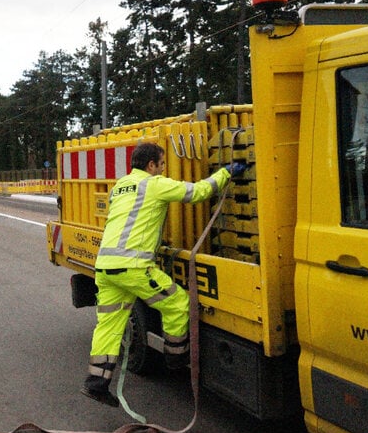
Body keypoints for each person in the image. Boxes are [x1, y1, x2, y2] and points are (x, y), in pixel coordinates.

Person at [81, 142, 246, 407]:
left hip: (106, 266)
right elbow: (198, 192)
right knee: (177, 303)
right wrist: (227, 172)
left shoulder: (120, 186)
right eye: (161, 163)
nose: (163, 168)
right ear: (151, 165)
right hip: (133, 267)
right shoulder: (154, 184)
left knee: (109, 327)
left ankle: (96, 384)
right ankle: (175, 359)